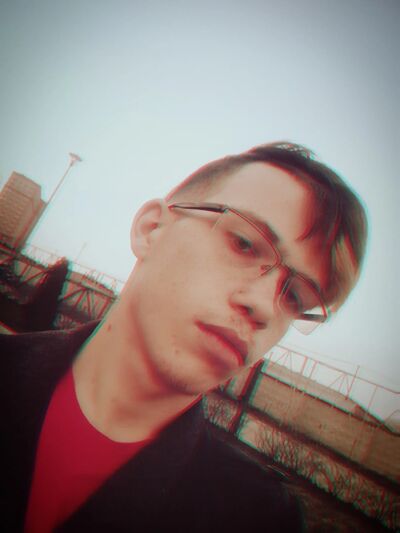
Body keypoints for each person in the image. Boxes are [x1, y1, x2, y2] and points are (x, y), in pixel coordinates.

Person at [0, 142, 367, 532]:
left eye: (295, 297)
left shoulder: (258, 520)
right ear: (152, 229)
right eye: (244, 243)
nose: (265, 307)